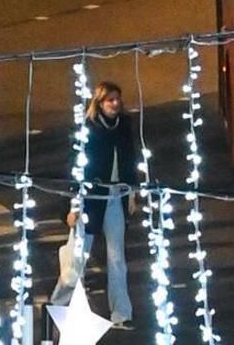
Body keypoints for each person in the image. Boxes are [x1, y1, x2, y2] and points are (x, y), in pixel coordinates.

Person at [61, 80, 140, 326]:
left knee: (117, 257)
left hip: (116, 195)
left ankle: (121, 314)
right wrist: (74, 206)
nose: (115, 104)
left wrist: (132, 193)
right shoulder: (89, 128)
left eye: (118, 99)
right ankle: (65, 306)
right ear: (100, 103)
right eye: (110, 100)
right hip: (91, 198)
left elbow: (130, 159)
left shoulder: (124, 125)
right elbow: (76, 167)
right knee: (79, 255)